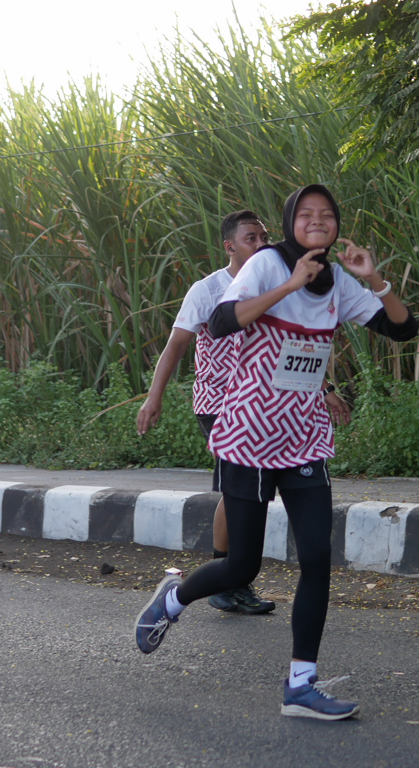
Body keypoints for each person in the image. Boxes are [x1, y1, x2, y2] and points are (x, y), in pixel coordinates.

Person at [133, 184, 418, 721]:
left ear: (336, 225)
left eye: (327, 214)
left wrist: (374, 279)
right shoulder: (266, 264)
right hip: (249, 433)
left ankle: (301, 686)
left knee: (317, 560)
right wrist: (289, 284)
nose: (317, 220)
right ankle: (173, 599)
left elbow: (403, 329)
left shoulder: (337, 281)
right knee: (240, 565)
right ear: (291, 222)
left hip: (304, 436)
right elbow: (221, 321)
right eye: (306, 213)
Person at [136, 209, 351, 613]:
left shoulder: (277, 287)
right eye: (251, 238)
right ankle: (227, 579)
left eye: (265, 237)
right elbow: (177, 344)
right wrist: (154, 397)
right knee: (237, 494)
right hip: (220, 405)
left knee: (243, 496)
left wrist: (323, 388)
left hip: (264, 407)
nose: (262, 244)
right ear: (229, 246)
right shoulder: (208, 289)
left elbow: (290, 347)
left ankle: (231, 577)